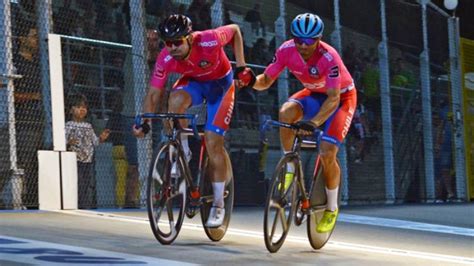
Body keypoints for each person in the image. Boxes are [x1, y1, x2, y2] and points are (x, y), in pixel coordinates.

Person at [133, 14, 250, 227]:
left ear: (190, 38)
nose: (172, 48)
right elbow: (152, 94)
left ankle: (217, 204)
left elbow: (234, 30)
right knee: (173, 103)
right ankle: (182, 149)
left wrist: (241, 66)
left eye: (177, 42)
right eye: (168, 43)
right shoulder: (165, 58)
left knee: (214, 142)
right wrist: (144, 122)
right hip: (194, 84)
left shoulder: (209, 39)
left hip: (221, 88)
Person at [244, 13, 357, 233]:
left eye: (309, 41)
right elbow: (265, 81)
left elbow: (333, 99)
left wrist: (314, 123)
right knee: (286, 112)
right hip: (314, 93)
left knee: (326, 152)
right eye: (298, 40)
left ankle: (331, 208)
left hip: (341, 99)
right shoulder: (287, 50)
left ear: (319, 38)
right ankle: (288, 166)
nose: (303, 46)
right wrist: (249, 81)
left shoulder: (329, 57)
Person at [66, 94, 110, 209]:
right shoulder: (68, 125)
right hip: (75, 160)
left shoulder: (88, 126)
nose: (82, 109)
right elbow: (64, 141)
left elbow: (94, 142)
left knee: (86, 183)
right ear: (71, 110)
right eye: (78, 107)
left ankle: (84, 204)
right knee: (78, 182)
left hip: (87, 159)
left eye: (84, 107)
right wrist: (68, 142)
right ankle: (76, 204)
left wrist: (101, 138)